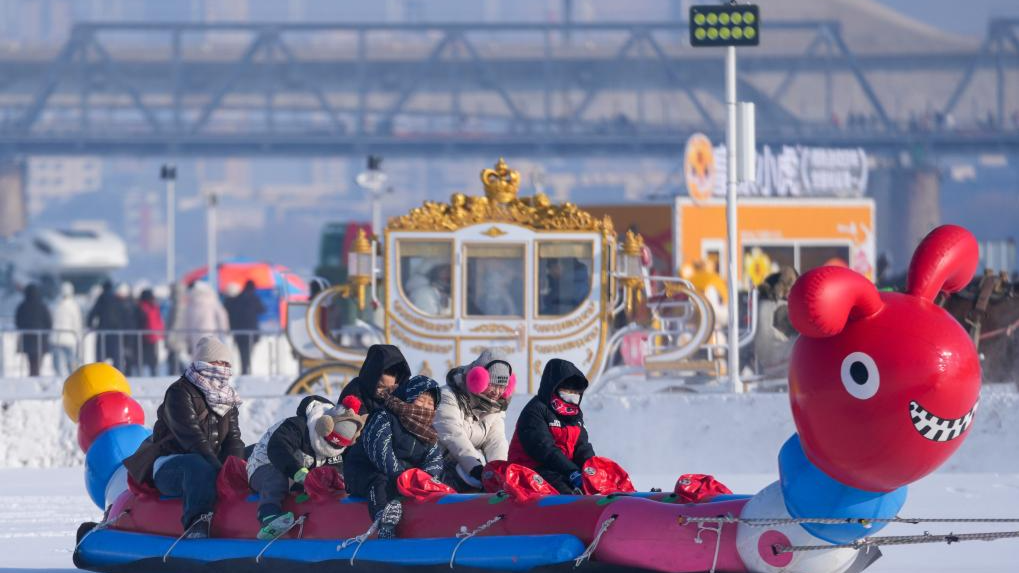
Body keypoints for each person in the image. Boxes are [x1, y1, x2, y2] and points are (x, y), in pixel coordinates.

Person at [123, 336, 244, 539]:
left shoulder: (227, 397)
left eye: (226, 364)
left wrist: (235, 466)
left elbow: (233, 438)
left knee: (255, 454)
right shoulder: (180, 392)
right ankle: (197, 523)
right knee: (198, 466)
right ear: (203, 363)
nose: (222, 368)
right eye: (217, 363)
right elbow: (192, 439)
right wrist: (219, 470)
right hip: (173, 464)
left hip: (208, 459)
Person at [246, 394, 367, 539]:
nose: (333, 447)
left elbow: (336, 466)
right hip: (265, 463)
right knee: (276, 477)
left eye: (338, 445)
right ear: (324, 426)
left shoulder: (338, 447)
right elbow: (278, 448)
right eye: (331, 442)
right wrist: (297, 471)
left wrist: (334, 479)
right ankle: (268, 515)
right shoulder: (297, 427)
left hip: (301, 471)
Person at [343, 375, 443, 539]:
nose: (425, 407)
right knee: (379, 481)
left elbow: (435, 459)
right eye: (420, 400)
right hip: (365, 470)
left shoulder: (429, 433)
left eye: (430, 404)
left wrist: (424, 481)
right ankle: (383, 521)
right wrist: (401, 478)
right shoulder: (385, 416)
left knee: (435, 485)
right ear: (409, 397)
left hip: (403, 479)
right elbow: (380, 449)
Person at [507, 359, 595, 494]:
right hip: (531, 470)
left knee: (594, 485)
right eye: (568, 390)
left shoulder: (575, 414)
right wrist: (572, 471)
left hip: (562, 469)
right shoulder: (535, 410)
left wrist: (592, 469)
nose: (573, 396)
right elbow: (544, 449)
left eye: (576, 392)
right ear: (554, 387)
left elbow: (582, 447)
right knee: (566, 491)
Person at [434, 349, 513, 491]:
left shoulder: (496, 406)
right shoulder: (447, 395)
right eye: (493, 384)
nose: (497, 392)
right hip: (440, 466)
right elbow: (453, 435)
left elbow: (496, 441)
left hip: (471, 469)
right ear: (478, 378)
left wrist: (500, 472)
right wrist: (475, 468)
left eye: (502, 386)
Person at [338, 344, 411, 415]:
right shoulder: (355, 392)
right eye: (380, 387)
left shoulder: (396, 398)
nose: (384, 393)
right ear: (371, 378)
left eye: (389, 389)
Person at [225, 280, 266, 375]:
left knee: (242, 352)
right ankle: (247, 370)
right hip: (252, 331)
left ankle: (244, 370)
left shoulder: (236, 299)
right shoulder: (254, 298)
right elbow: (262, 309)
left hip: (239, 332)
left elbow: (231, 312)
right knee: (248, 352)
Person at [184, 281, 229, 357]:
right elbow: (221, 315)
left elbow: (186, 321)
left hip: (195, 335)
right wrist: (224, 330)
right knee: (211, 357)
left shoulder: (191, 302)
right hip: (211, 332)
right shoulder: (212, 300)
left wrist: (187, 339)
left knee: (198, 358)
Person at [15, 283, 51, 376]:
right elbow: (49, 321)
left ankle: (33, 375)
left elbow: (18, 321)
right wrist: (46, 333)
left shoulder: (22, 306)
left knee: (31, 361)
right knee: (38, 361)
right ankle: (35, 375)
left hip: (27, 339)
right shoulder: (42, 306)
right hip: (40, 338)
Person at [88, 280, 125, 369]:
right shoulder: (117, 299)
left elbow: (93, 312)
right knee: (116, 356)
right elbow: (123, 315)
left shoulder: (102, 298)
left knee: (101, 356)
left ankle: (99, 374)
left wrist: (90, 325)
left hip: (102, 330)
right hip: (115, 331)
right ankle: (117, 374)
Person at [50, 282, 82, 376]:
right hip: (69, 337)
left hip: (56, 337)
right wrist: (78, 337)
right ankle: (73, 379)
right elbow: (77, 322)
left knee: (57, 363)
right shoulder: (73, 306)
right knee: (71, 361)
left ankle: (59, 378)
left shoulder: (54, 304)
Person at [137, 289, 165, 377]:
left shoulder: (143, 307)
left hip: (146, 336)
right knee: (152, 358)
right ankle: (153, 373)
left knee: (143, 357)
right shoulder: (154, 307)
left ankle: (145, 374)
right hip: (153, 335)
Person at [164, 282, 189, 375]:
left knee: (174, 359)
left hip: (176, 337)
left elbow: (176, 321)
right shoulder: (179, 301)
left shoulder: (177, 303)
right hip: (178, 335)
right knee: (175, 358)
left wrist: (170, 336)